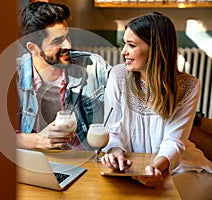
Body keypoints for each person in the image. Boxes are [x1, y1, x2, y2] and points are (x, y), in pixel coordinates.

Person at [100, 12, 212, 200]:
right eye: (125, 43)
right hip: (131, 169)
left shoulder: (188, 86)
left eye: (132, 45)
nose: (123, 52)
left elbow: (174, 141)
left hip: (181, 168)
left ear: (155, 49)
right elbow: (113, 129)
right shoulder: (118, 75)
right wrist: (116, 153)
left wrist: (155, 169)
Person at [12, 2, 111, 150]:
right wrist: (39, 140)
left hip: (85, 163)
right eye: (57, 41)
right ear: (33, 48)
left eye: (67, 37)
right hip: (36, 163)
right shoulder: (13, 77)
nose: (68, 46)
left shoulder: (93, 66)